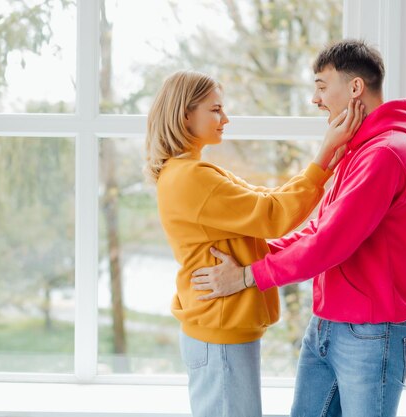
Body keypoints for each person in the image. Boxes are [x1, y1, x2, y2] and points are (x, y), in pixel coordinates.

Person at [191, 40, 406, 417]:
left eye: (321, 86)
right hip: (331, 323)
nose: (315, 99)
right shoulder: (361, 151)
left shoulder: (385, 154)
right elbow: (320, 227)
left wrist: (248, 276)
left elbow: (328, 244)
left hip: (372, 334)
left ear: (355, 88)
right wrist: (255, 253)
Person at [144, 70, 364, 417]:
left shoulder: (192, 171)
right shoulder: (191, 177)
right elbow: (271, 215)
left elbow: (263, 200)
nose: (224, 118)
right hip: (219, 332)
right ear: (185, 114)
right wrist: (322, 158)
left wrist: (322, 170)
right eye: (215, 109)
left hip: (221, 328)